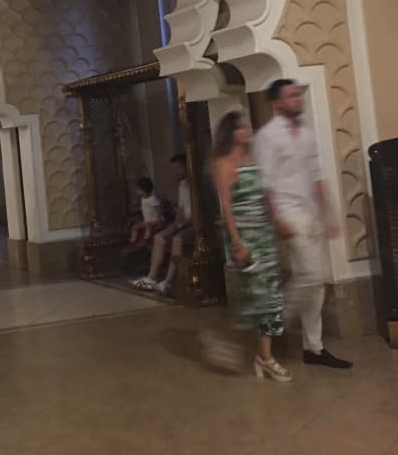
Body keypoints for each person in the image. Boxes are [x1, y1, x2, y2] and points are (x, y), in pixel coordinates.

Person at [254, 79, 352, 369]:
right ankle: (272, 323)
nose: (297, 99)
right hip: (288, 211)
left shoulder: (307, 133)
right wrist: (277, 219)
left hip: (310, 213)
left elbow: (316, 175)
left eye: (298, 94)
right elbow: (265, 183)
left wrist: (327, 214)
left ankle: (314, 347)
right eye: (291, 95)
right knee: (311, 275)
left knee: (317, 283)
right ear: (277, 102)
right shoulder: (268, 136)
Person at [212, 110, 291, 382]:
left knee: (270, 297)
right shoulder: (223, 164)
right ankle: (247, 349)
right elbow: (226, 207)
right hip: (244, 236)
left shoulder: (252, 161)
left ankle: (264, 357)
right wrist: (237, 243)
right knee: (253, 296)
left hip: (263, 234)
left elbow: (266, 196)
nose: (247, 131)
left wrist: (277, 224)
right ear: (231, 133)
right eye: (241, 128)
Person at [131, 154, 193, 294]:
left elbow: (197, 213)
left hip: (195, 225)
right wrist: (174, 225)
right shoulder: (182, 185)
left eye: (177, 168)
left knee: (177, 239)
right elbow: (181, 210)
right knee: (159, 237)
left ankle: (168, 281)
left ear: (186, 166)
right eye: (173, 168)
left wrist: (179, 226)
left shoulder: (195, 183)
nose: (175, 172)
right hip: (183, 223)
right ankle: (151, 278)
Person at [128, 177, 162, 244]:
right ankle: (145, 242)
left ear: (143, 190)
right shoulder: (143, 198)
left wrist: (159, 219)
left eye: (138, 189)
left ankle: (132, 242)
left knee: (135, 227)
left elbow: (158, 208)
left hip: (154, 220)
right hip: (148, 220)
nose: (137, 191)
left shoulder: (152, 199)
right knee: (148, 230)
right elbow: (145, 207)